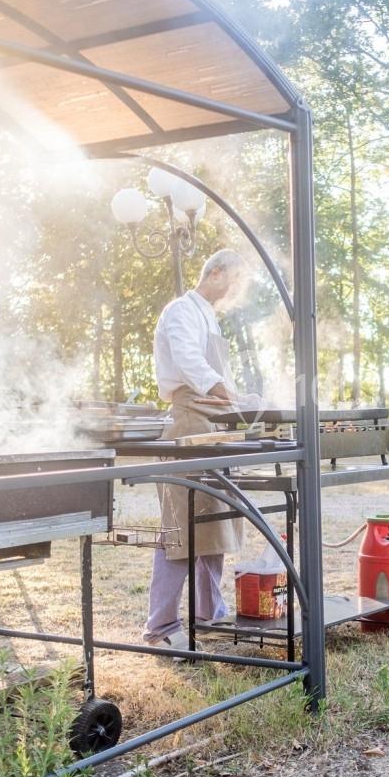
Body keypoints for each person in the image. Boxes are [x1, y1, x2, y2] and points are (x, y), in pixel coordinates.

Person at [144, 249, 255, 649]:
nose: (235, 291)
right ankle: (160, 627)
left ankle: (210, 615)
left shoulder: (209, 316)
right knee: (181, 526)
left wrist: (240, 400)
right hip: (189, 421)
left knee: (216, 522)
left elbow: (219, 376)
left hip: (215, 424)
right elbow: (189, 360)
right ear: (216, 272)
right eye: (235, 281)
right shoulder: (180, 311)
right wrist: (225, 390)